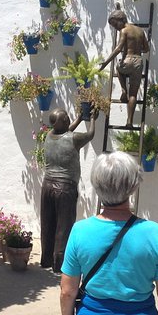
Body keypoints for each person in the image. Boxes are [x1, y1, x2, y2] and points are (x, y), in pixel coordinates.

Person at [59, 152, 158, 315]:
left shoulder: (80, 231)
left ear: (97, 185)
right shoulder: (153, 233)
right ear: (133, 186)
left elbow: (67, 292)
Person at [41, 108, 96, 272]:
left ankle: (46, 259)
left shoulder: (49, 135)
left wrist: (79, 118)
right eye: (66, 118)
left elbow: (66, 132)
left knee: (48, 224)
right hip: (65, 188)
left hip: (47, 185)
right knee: (63, 227)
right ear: (63, 122)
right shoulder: (75, 138)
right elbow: (90, 134)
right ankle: (59, 264)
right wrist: (92, 118)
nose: (68, 119)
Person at [98, 4, 149, 128]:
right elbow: (146, 49)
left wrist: (106, 62)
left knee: (118, 69)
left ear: (122, 19)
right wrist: (137, 49)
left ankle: (123, 89)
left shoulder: (124, 30)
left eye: (115, 25)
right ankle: (129, 122)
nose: (116, 28)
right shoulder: (140, 31)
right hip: (138, 61)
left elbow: (118, 49)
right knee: (134, 94)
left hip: (127, 61)